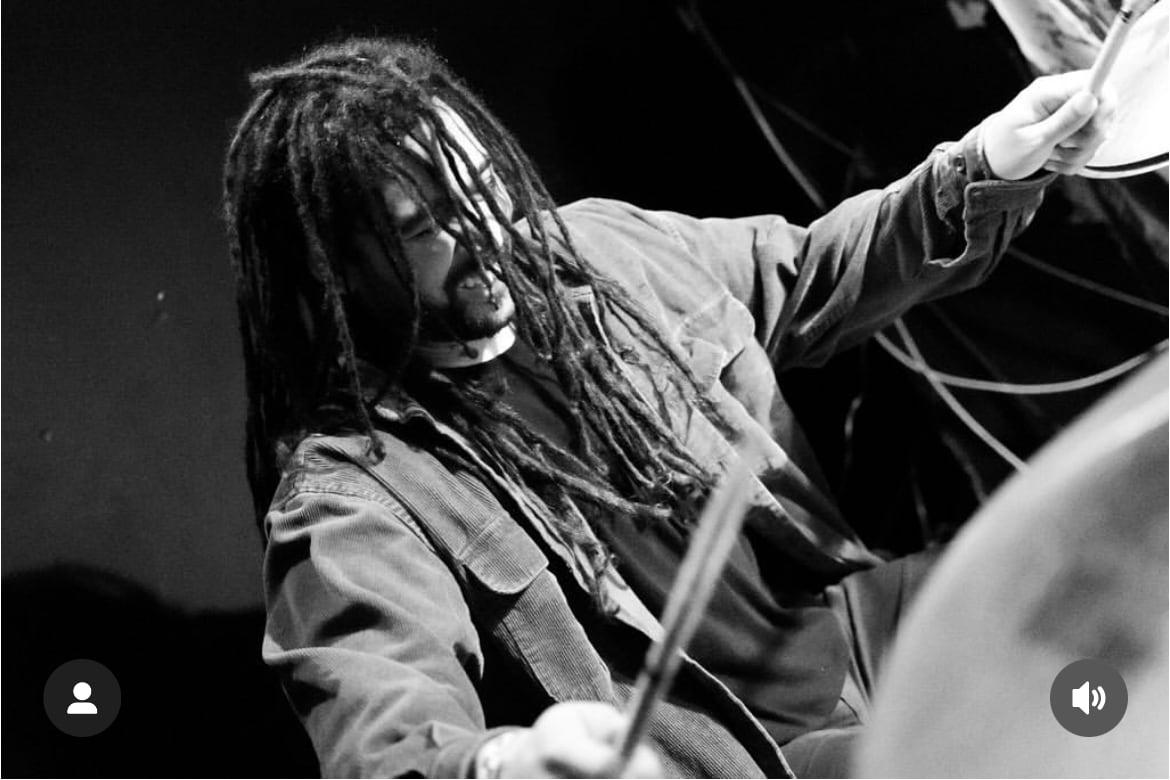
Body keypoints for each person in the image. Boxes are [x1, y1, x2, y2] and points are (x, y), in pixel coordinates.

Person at [222, 37, 1113, 778]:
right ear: (338, 270)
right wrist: (507, 764)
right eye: (425, 226)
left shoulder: (599, 253)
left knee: (1102, 570)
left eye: (482, 180)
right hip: (758, 754)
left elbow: (815, 270)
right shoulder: (352, 494)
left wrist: (989, 162)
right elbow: (382, 739)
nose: (487, 230)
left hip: (851, 624)